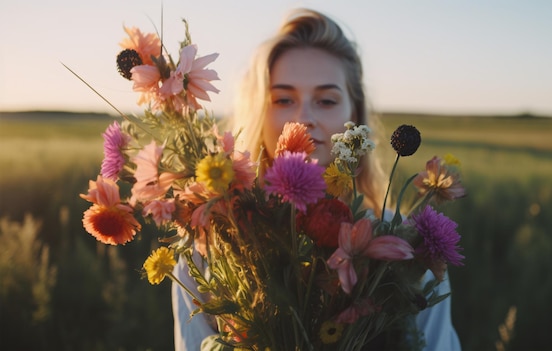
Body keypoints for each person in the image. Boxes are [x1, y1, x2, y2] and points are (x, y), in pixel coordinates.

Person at [172, 8, 461, 351]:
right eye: (283, 99)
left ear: (354, 113)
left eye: (326, 100)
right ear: (258, 112)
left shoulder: (405, 250)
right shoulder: (213, 250)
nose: (304, 118)